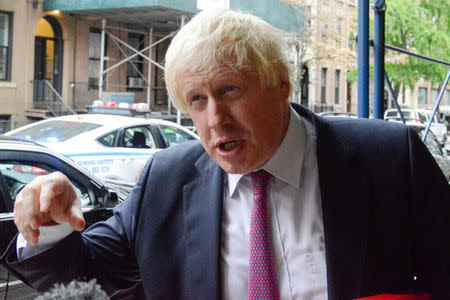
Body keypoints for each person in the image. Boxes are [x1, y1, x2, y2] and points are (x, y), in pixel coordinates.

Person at [1, 8, 449, 300]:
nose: (215, 119)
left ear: (281, 85)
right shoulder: (166, 180)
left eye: (230, 90)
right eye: (197, 100)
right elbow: (86, 276)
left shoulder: (390, 159)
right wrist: (51, 223)